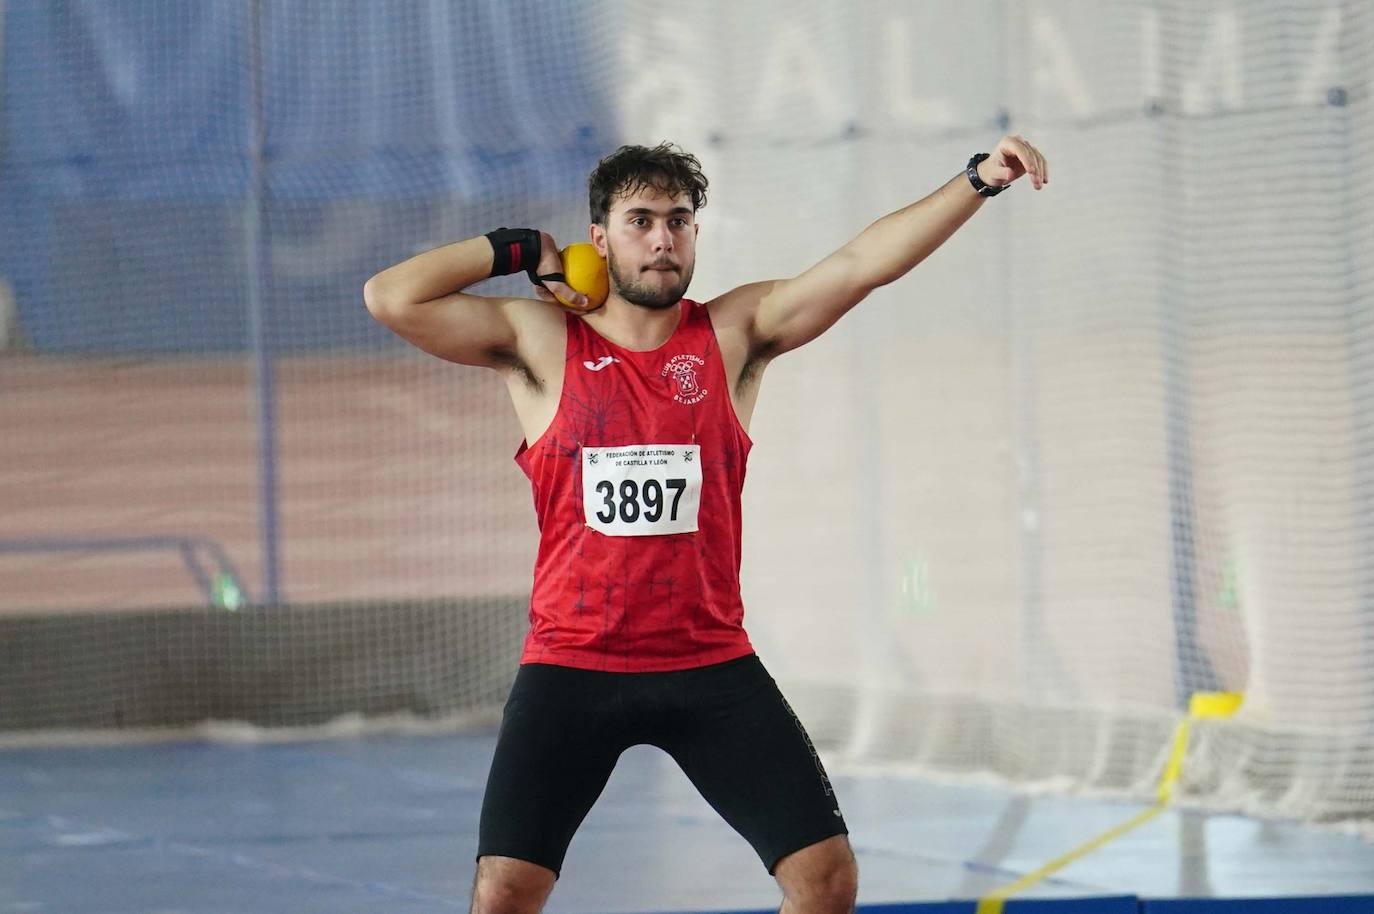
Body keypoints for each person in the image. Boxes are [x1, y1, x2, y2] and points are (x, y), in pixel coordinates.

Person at [364, 136, 1049, 914]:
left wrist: (977, 181)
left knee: (826, 882)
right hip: (573, 667)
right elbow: (391, 296)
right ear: (601, 238)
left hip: (708, 665)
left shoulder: (733, 335)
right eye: (641, 220)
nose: (662, 238)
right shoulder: (543, 342)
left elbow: (863, 263)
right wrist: (518, 247)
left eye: (680, 221)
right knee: (506, 892)